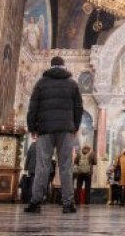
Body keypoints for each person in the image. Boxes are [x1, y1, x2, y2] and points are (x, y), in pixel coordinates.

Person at [25, 56, 83, 214]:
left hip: (45, 129)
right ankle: (68, 203)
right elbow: (79, 108)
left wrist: (32, 127)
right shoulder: (72, 83)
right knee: (66, 166)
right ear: (64, 66)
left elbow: (33, 107)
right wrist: (75, 126)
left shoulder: (41, 83)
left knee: (42, 166)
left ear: (50, 66)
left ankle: (35, 202)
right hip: (66, 130)